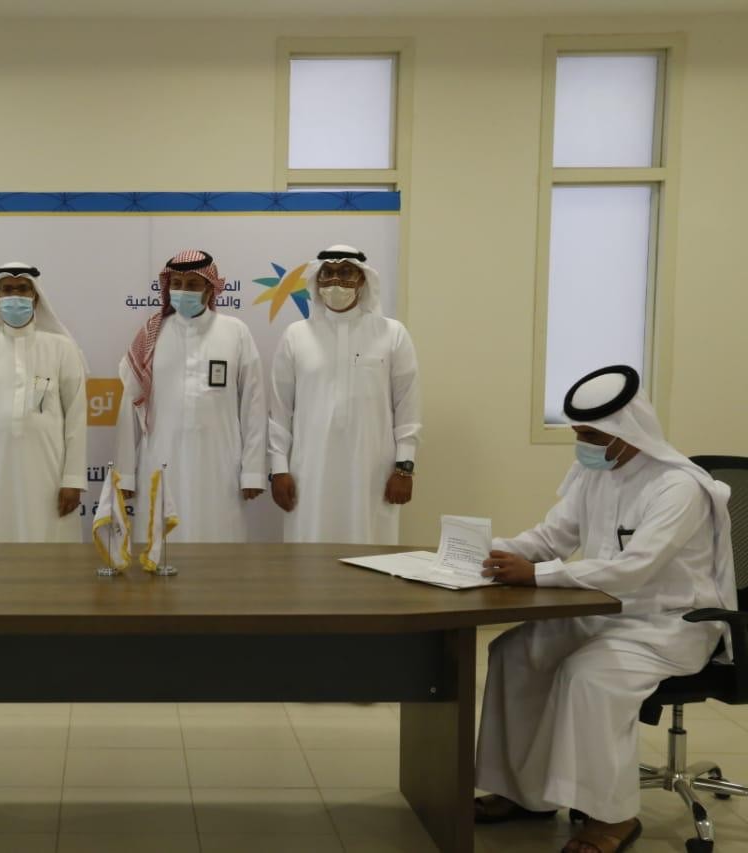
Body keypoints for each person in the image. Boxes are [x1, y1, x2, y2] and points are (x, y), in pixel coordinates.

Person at [474, 364, 735, 853]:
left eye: (591, 435)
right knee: (515, 651)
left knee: (589, 677)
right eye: (578, 434)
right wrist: (490, 553)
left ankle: (612, 818)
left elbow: (635, 568)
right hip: (603, 612)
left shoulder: (677, 487)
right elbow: (552, 536)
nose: (583, 445)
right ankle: (523, 794)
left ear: (626, 430)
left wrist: (536, 575)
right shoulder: (596, 472)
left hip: (670, 623)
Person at [267, 245, 421, 544]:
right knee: (309, 551)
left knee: (370, 551)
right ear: (317, 280)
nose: (335, 281)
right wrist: (279, 470)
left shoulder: (392, 333)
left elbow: (408, 406)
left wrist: (404, 469)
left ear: (362, 279)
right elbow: (280, 411)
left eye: (346, 272)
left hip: (373, 471)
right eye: (327, 273)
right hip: (309, 471)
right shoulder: (296, 335)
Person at [116, 249, 266, 541]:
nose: (183, 290)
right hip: (161, 458)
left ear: (210, 288)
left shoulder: (235, 332)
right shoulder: (152, 334)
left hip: (220, 462)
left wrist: (253, 471)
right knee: (161, 544)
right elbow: (130, 408)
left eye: (193, 284)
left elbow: (254, 406)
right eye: (177, 283)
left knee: (218, 540)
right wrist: (125, 475)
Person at [0, 261, 88, 542]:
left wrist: (73, 479)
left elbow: (76, 419)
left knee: (50, 546)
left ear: (36, 297)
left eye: (23, 289)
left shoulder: (62, 349)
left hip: (49, 473)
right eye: (7, 290)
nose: (15, 296)